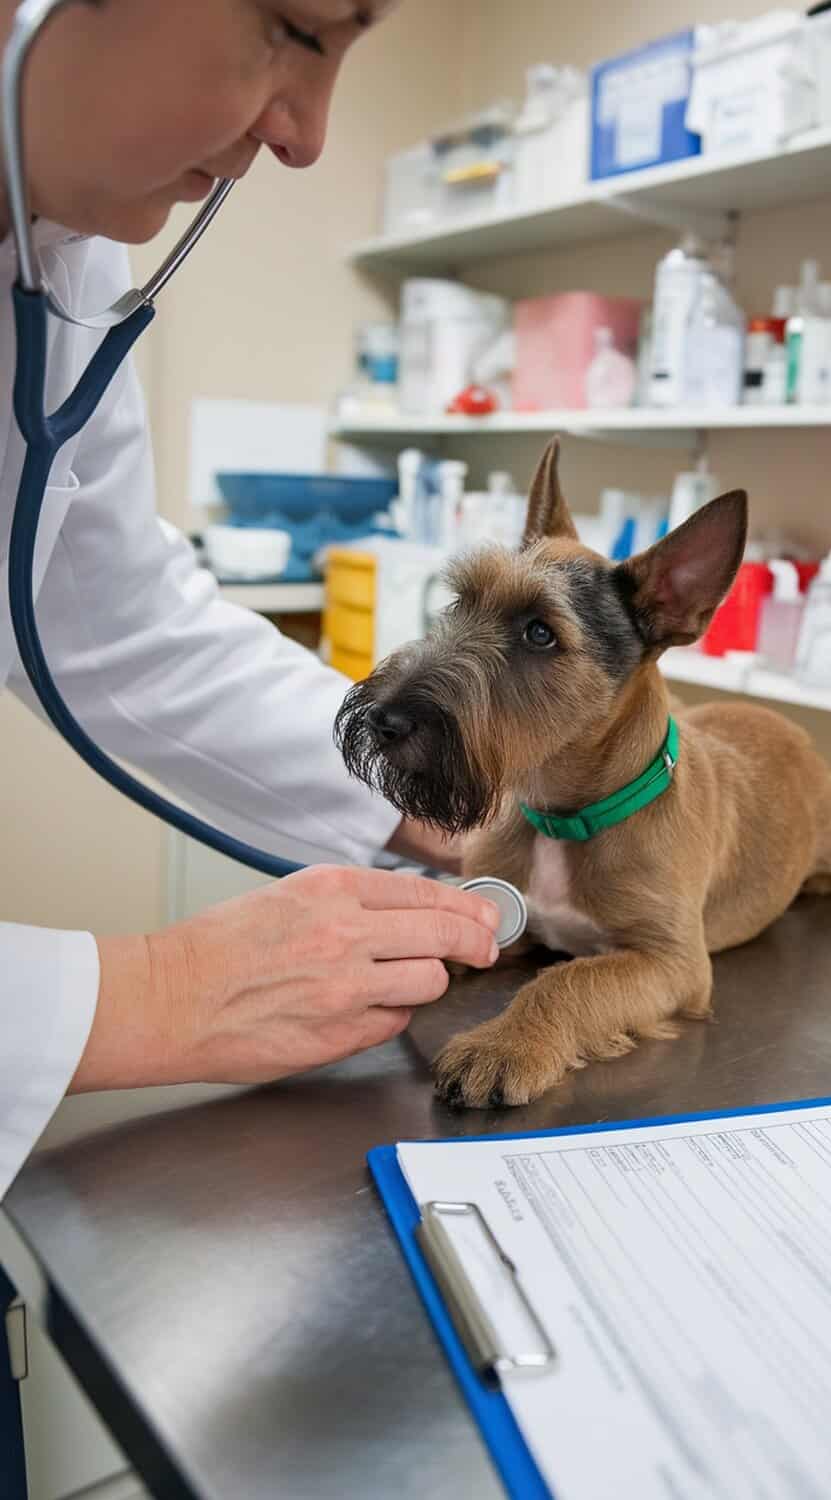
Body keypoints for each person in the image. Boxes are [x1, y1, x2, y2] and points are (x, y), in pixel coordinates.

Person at [0, 0, 501, 1200]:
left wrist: (450, 810)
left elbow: (111, 623)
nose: (308, 136)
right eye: (297, 28)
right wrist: (145, 997)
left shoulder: (61, 258)